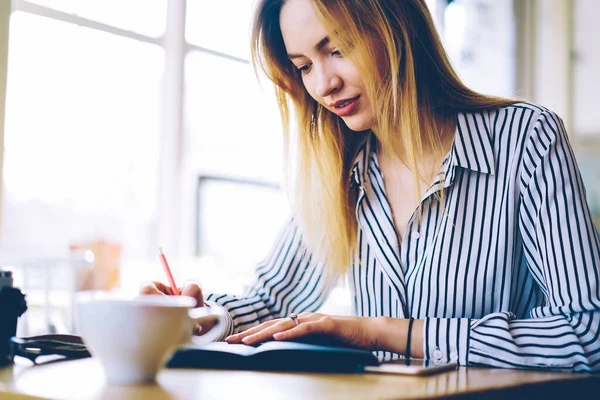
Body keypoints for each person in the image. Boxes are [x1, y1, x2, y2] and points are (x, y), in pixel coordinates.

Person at [141, 0, 600, 372]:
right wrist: (192, 315)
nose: (324, 84)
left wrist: (379, 331)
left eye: (337, 48)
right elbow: (270, 302)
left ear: (395, 25)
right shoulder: (341, 171)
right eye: (303, 66)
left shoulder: (525, 139)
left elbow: (586, 332)